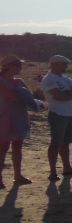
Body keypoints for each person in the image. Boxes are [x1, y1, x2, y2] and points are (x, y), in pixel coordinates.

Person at [41, 55, 72, 181]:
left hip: (70, 113)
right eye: (63, 64)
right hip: (57, 114)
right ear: (54, 64)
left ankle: (67, 168)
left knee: (65, 143)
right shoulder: (49, 79)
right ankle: (53, 171)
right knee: (55, 143)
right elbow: (59, 96)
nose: (66, 67)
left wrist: (68, 94)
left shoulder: (64, 78)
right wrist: (71, 94)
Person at [0, 55, 41, 188]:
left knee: (17, 148)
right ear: (10, 66)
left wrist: (22, 95)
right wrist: (22, 95)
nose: (20, 68)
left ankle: (18, 175)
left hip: (18, 118)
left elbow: (27, 98)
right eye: (18, 65)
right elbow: (10, 96)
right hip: (4, 118)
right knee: (2, 149)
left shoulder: (19, 82)